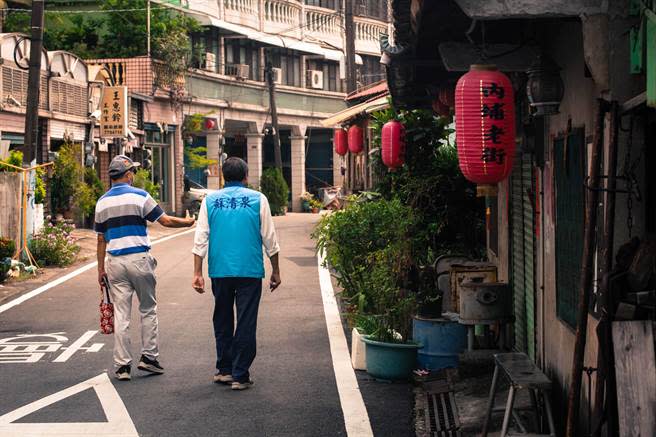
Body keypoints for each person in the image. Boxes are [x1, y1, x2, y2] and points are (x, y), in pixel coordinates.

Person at [95, 155, 195, 381]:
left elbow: (101, 239)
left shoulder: (102, 202)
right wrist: (188, 222)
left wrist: (100, 269)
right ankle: (149, 358)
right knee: (147, 309)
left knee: (121, 314)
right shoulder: (140, 196)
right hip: (139, 259)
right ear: (129, 174)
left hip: (114, 262)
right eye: (133, 173)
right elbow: (165, 221)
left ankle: (122, 366)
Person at [192, 157, 281, 391]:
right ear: (246, 177)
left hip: (219, 270)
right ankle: (240, 374)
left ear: (223, 177)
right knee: (246, 320)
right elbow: (269, 238)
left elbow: (200, 238)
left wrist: (197, 272)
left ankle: (224, 369)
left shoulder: (210, 201)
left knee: (221, 318)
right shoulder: (258, 199)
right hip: (250, 271)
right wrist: (276, 270)